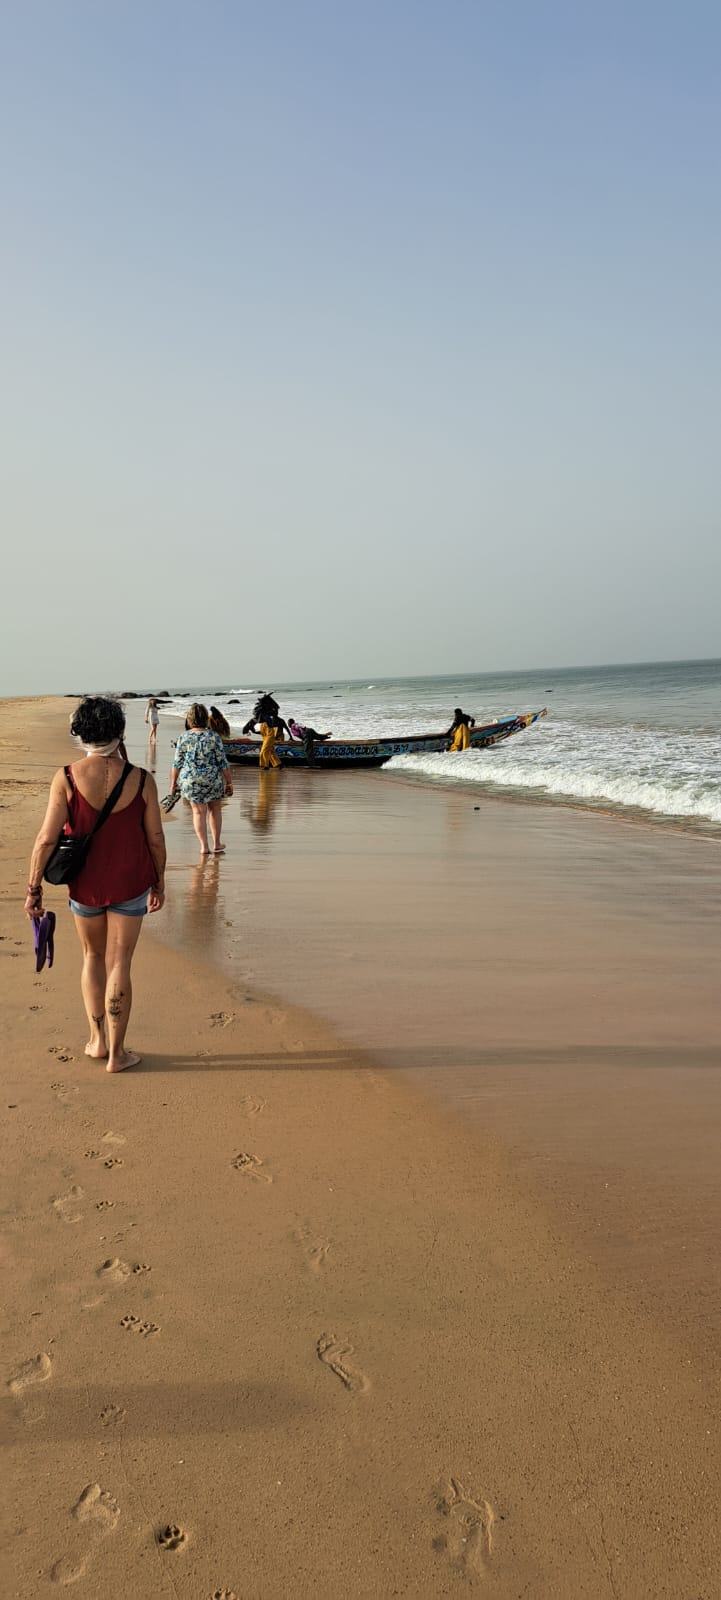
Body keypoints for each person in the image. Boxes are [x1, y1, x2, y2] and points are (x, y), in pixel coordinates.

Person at [24, 696, 166, 1074]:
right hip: (131, 883)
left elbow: (46, 839)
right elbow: (155, 837)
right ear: (119, 732)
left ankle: (98, 1040)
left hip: (85, 887)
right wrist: (159, 881)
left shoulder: (67, 777)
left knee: (93, 958)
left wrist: (34, 887)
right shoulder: (141, 779)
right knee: (121, 962)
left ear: (81, 733)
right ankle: (119, 1054)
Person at [169, 703, 234, 855]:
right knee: (215, 809)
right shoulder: (214, 736)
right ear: (206, 718)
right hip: (212, 779)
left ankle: (204, 847)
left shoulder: (184, 737)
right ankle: (217, 843)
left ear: (189, 719)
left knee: (198, 813)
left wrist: (173, 783)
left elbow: (177, 763)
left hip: (191, 780)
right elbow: (222, 762)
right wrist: (229, 782)